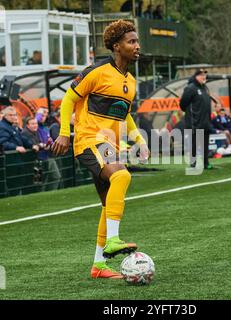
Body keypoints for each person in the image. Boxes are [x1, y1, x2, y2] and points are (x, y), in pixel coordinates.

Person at [51, 20, 149, 279]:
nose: (137, 46)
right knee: (122, 175)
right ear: (117, 46)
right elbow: (69, 99)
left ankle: (99, 266)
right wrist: (64, 133)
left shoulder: (130, 80)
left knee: (108, 204)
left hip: (110, 144)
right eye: (131, 42)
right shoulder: (97, 71)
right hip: (89, 140)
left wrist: (139, 139)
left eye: (137, 41)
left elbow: (125, 115)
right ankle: (113, 241)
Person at [180, 68, 212, 169]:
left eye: (205, 75)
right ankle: (193, 163)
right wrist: (192, 114)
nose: (204, 77)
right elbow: (182, 104)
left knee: (205, 144)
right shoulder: (191, 88)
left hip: (205, 121)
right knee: (194, 144)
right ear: (196, 77)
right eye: (201, 75)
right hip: (195, 122)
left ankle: (206, 163)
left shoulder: (205, 88)